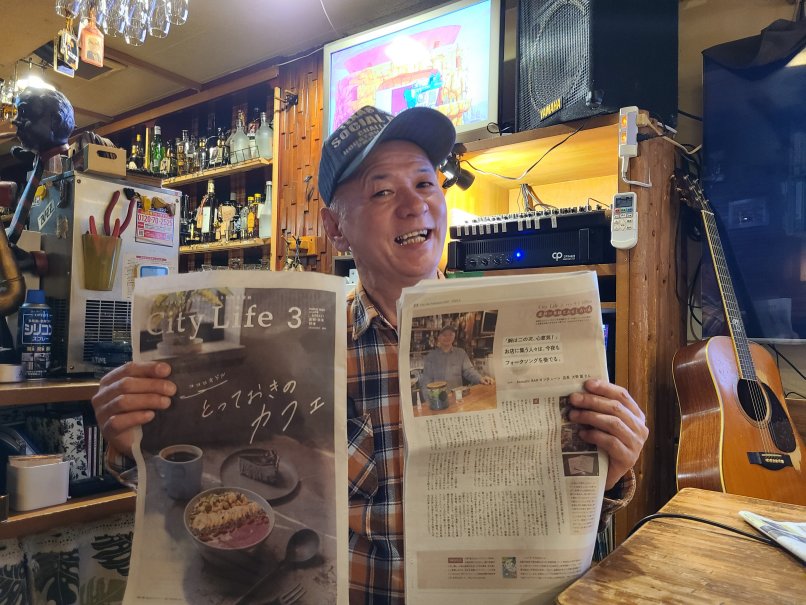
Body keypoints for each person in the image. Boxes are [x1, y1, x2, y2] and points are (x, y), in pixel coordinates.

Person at [92, 105, 649, 603]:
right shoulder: (304, 347)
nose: (415, 205)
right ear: (336, 228)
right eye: (383, 192)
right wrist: (132, 438)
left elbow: (549, 523)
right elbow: (202, 492)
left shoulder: (514, 333)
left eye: (425, 183)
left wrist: (606, 467)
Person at [418, 325, 493, 402]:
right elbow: (426, 381)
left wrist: (480, 378)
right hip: (439, 400)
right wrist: (428, 401)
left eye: (450, 334)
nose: (448, 337)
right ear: (439, 338)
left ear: (454, 336)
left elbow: (469, 371)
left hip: (457, 398)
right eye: (444, 335)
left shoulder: (461, 353)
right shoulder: (431, 357)